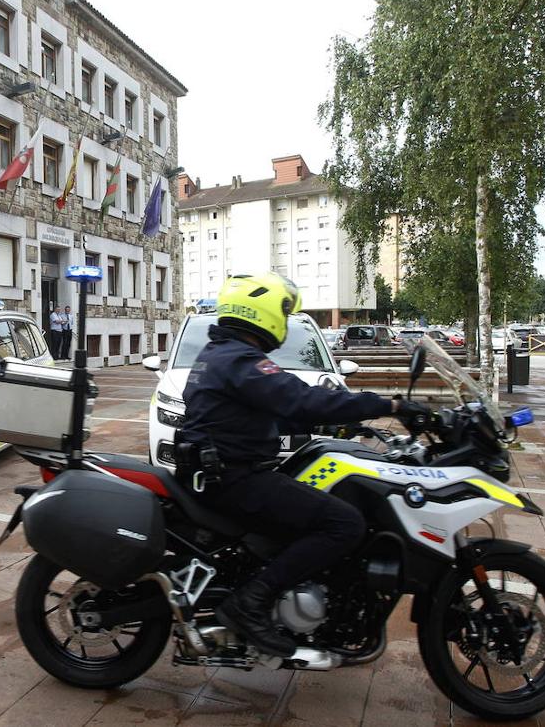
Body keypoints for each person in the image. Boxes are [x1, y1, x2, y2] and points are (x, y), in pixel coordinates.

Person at [180, 273, 428, 657]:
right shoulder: (241, 360)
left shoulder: (222, 354)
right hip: (234, 478)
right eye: (282, 310)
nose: (285, 318)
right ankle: (251, 603)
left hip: (222, 473)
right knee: (344, 523)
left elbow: (268, 414)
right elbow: (302, 400)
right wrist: (388, 405)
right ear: (261, 311)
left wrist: (339, 419)